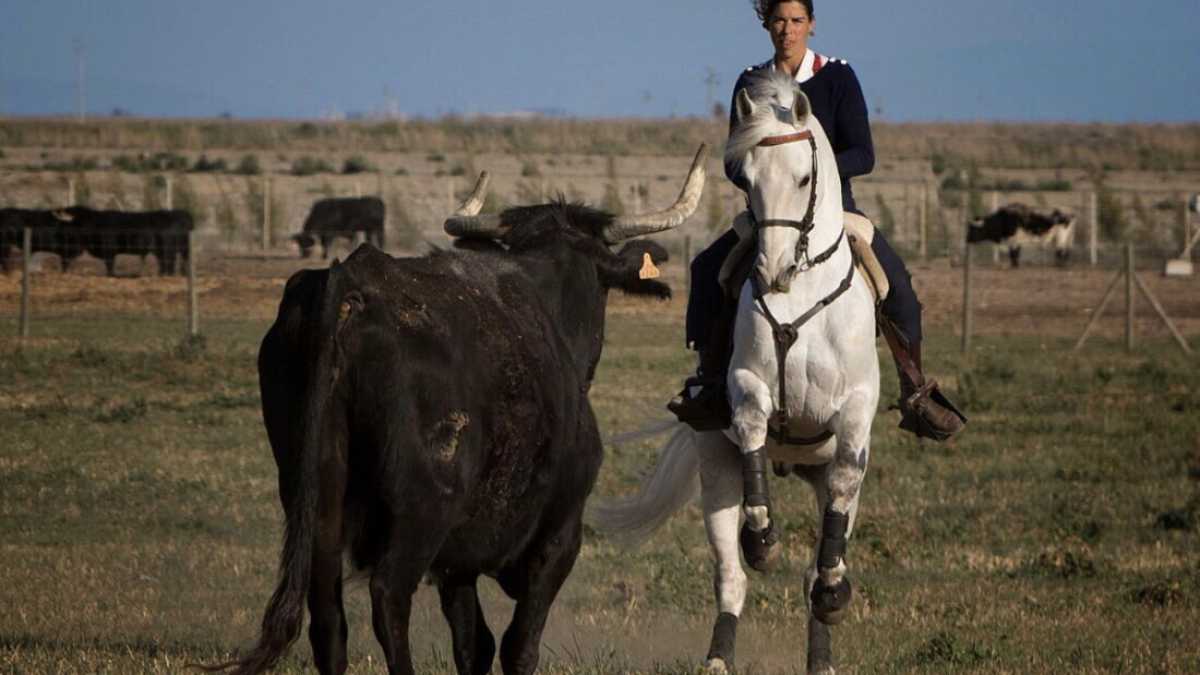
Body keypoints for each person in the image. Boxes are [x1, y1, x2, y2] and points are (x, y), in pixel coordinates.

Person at [669, 0, 965, 441]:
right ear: (766, 25)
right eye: (778, 21)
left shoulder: (837, 76)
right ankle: (709, 384)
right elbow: (734, 161)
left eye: (796, 21)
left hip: (835, 210)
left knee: (897, 285)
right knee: (706, 269)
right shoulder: (750, 82)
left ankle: (914, 390)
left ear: (811, 25)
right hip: (768, 214)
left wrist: (814, 171)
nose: (787, 30)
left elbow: (864, 155)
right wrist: (764, 178)